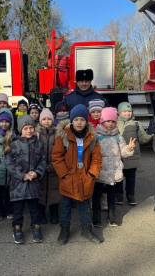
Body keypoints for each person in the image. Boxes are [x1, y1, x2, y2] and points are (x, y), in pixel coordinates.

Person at [52, 104, 103, 245]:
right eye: (76, 119)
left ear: (86, 121)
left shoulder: (92, 138)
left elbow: (97, 159)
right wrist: (64, 174)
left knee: (85, 204)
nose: (79, 122)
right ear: (71, 121)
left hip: (85, 178)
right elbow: (57, 157)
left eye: (82, 119)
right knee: (66, 205)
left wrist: (92, 174)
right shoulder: (63, 137)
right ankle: (64, 229)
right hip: (69, 177)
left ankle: (86, 229)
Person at [5, 115, 47, 244]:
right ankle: (17, 229)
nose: (29, 131)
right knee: (18, 210)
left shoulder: (39, 145)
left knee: (34, 209)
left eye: (31, 128)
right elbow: (8, 162)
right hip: (18, 185)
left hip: (33, 184)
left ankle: (36, 228)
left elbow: (43, 161)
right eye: (26, 128)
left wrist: (36, 173)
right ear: (20, 130)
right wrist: (22, 175)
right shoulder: (14, 145)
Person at [92, 107, 135, 228]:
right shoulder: (96, 136)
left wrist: (129, 149)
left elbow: (123, 152)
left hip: (113, 173)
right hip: (99, 172)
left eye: (112, 121)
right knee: (96, 195)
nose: (110, 124)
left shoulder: (118, 137)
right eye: (107, 121)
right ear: (102, 121)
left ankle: (112, 215)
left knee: (111, 195)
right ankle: (96, 215)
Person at [116, 102, 153, 206]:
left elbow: (143, 138)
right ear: (119, 112)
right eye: (124, 111)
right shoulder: (113, 123)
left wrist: (150, 134)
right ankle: (118, 195)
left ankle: (130, 195)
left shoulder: (136, 124)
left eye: (129, 111)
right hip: (118, 155)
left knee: (131, 177)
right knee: (118, 176)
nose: (127, 113)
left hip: (132, 156)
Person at [37, 109, 62, 225]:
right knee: (40, 191)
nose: (47, 122)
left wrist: (53, 165)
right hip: (40, 168)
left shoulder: (58, 133)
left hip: (54, 167)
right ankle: (41, 213)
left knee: (54, 191)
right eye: (44, 119)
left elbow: (61, 151)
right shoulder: (36, 133)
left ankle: (54, 213)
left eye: (49, 119)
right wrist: (41, 166)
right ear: (40, 120)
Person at [0, 108, 15, 222]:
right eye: (2, 121)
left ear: (10, 122)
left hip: (10, 167)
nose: (4, 124)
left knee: (10, 191)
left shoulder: (14, 135)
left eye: (6, 121)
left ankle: (10, 210)